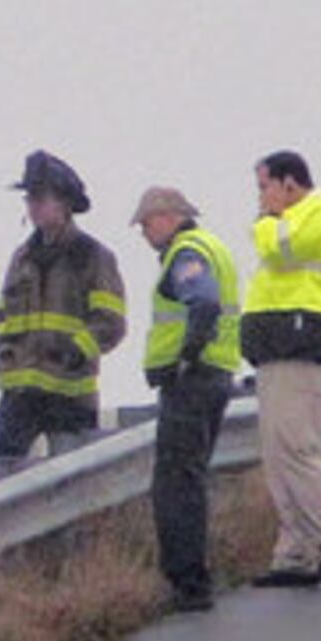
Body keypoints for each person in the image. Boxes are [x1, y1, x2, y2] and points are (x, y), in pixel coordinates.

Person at [242, 150, 321, 587]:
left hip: (306, 344)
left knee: (297, 447)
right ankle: (296, 551)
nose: (261, 198)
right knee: (278, 453)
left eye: (264, 187)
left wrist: (263, 221)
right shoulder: (303, 215)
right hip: (284, 346)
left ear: (289, 183)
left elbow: (279, 249)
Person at [132, 186, 241, 612]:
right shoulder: (213, 246)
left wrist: (184, 358)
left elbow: (205, 303)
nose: (143, 232)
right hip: (216, 376)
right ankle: (193, 578)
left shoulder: (187, 253)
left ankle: (187, 583)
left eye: (146, 223)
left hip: (192, 381)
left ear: (168, 216)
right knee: (190, 477)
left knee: (175, 484)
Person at [0, 150, 126, 457]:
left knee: (72, 479)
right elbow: (1, 313)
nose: (32, 206)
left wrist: (77, 351)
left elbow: (111, 322)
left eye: (39, 197)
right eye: (28, 199)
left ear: (63, 203)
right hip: (19, 393)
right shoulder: (21, 257)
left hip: (69, 394)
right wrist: (2, 343)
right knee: (0, 468)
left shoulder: (92, 257)